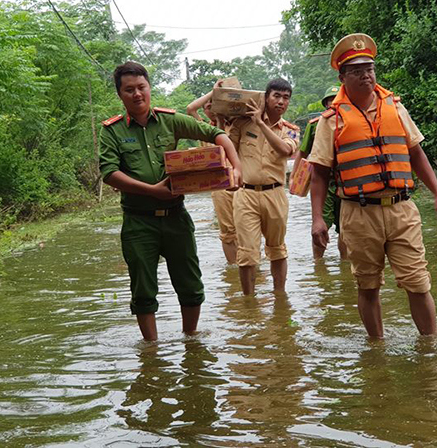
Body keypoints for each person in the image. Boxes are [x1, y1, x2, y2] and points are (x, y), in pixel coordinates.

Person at [308, 34, 437, 338]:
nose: (366, 75)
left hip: (402, 208)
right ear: (342, 77)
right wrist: (318, 218)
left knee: (418, 282)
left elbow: (416, 153)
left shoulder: (395, 108)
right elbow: (318, 172)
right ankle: (377, 347)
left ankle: (430, 347)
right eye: (357, 70)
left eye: (370, 68)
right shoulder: (331, 120)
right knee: (368, 284)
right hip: (358, 213)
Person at [99, 61, 243, 341]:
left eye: (141, 87)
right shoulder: (112, 131)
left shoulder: (170, 120)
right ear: (120, 95)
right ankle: (151, 350)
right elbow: (110, 174)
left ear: (149, 88)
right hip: (138, 222)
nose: (137, 94)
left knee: (190, 284)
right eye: (129, 90)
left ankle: (191, 341)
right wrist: (152, 190)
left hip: (176, 216)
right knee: (142, 289)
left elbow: (217, 134)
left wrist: (236, 168)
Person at [228, 78, 299, 295]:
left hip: (275, 193)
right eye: (276, 96)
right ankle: (249, 303)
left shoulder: (290, 130)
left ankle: (280, 297)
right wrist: (226, 118)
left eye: (285, 98)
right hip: (246, 194)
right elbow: (226, 147)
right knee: (247, 253)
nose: (281, 102)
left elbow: (285, 151)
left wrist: (260, 124)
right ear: (265, 98)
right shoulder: (242, 124)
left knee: (277, 249)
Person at [186, 81, 239, 264]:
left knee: (248, 227)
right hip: (220, 187)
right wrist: (214, 92)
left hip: (241, 183)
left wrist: (224, 97)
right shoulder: (205, 130)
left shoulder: (238, 125)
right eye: (209, 106)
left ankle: (251, 267)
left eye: (215, 104)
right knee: (228, 232)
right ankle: (233, 269)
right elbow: (191, 108)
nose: (211, 108)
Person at [293, 85, 347, 260]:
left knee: (345, 229)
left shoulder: (353, 122)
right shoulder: (316, 125)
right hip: (324, 184)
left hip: (348, 184)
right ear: (325, 104)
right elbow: (303, 152)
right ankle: (318, 264)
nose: (333, 104)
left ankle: (345, 265)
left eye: (336, 99)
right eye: (330, 101)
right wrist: (295, 179)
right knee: (319, 225)